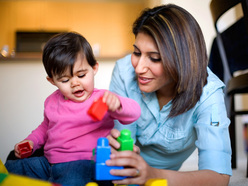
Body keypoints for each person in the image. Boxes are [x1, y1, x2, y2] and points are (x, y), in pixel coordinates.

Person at [106, 4, 232, 186]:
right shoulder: (124, 72)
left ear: (182, 60)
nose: (139, 68)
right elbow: (125, 150)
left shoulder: (208, 93)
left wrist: (152, 175)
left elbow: (219, 177)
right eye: (136, 52)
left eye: (154, 58)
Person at [5, 32, 141, 186]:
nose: (75, 83)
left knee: (71, 179)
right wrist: (31, 142)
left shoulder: (103, 98)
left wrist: (118, 105)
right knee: (13, 167)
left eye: (81, 75)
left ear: (94, 68)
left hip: (83, 163)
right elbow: (44, 128)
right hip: (49, 162)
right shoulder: (51, 101)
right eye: (65, 80)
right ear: (52, 81)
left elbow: (135, 112)